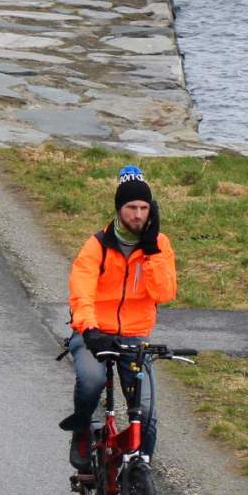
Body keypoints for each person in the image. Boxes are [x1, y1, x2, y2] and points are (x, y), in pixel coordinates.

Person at [60, 165, 177, 470]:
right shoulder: (96, 245)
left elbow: (164, 293)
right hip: (94, 332)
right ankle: (82, 429)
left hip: (135, 336)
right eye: (131, 207)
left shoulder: (159, 245)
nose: (138, 214)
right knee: (91, 380)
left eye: (143, 207)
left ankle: (140, 475)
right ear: (118, 209)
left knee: (147, 414)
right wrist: (89, 329)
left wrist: (151, 251)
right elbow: (81, 292)